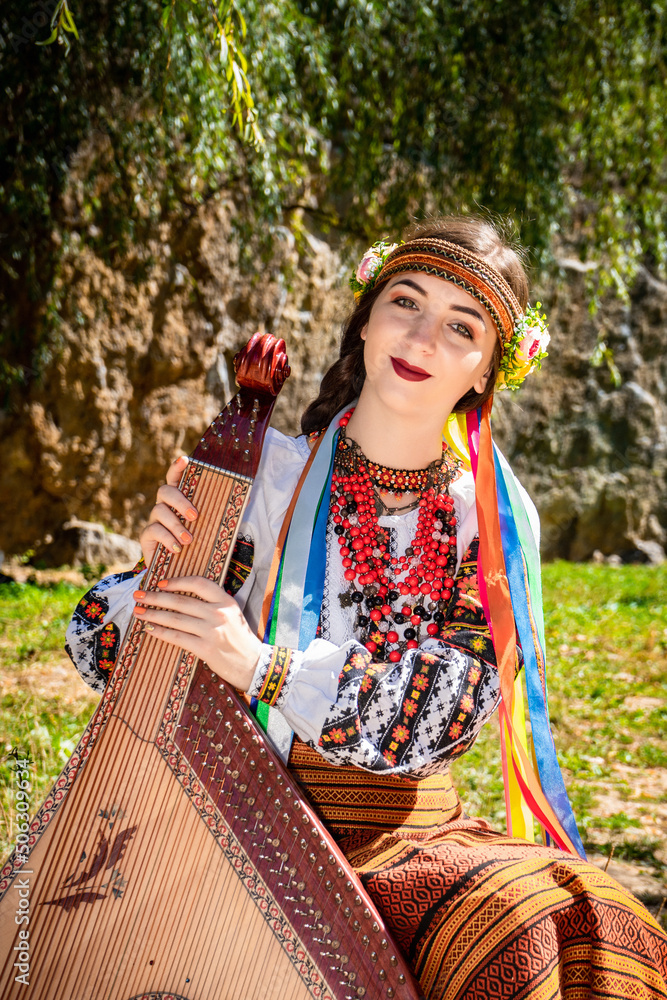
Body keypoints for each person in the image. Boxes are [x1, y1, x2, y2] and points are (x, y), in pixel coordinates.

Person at [66, 217, 667, 999]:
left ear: (488, 369)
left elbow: (439, 713)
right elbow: (100, 653)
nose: (420, 337)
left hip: (407, 834)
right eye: (404, 302)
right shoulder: (268, 475)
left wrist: (260, 664)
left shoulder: (491, 520)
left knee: (575, 918)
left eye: (460, 326)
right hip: (237, 813)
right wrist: (165, 568)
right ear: (365, 319)